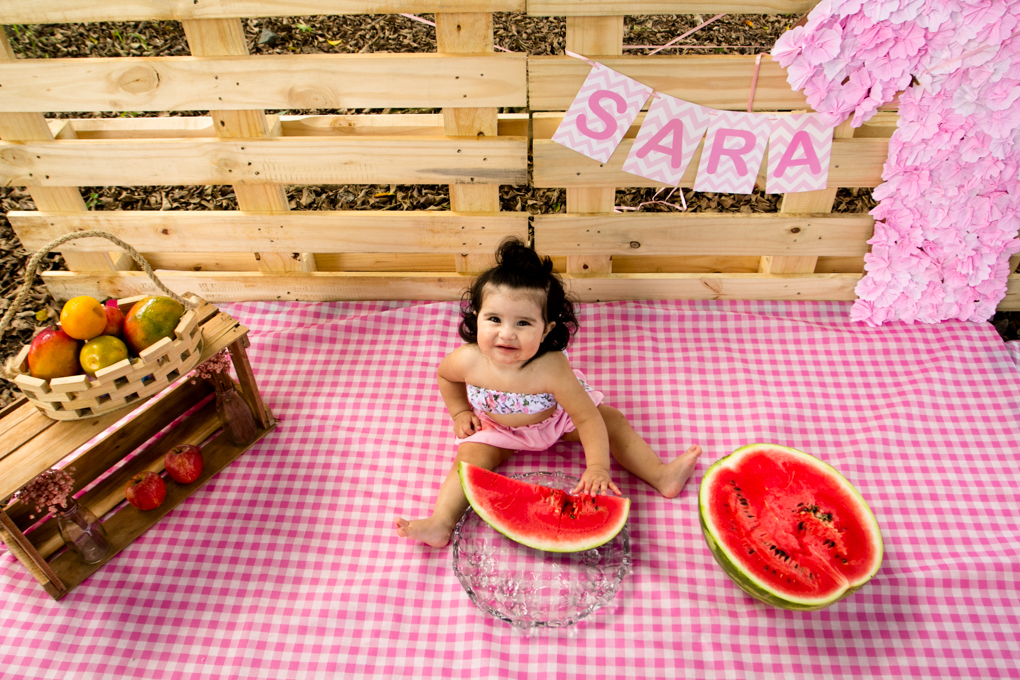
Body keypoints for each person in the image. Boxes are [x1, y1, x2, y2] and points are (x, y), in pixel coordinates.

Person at [395, 237, 702, 547]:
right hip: (497, 428)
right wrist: (460, 412)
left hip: (556, 421)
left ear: (547, 329)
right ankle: (441, 522)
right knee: (467, 460)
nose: (506, 333)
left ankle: (661, 475)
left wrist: (597, 465)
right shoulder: (467, 360)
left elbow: (586, 418)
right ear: (477, 317)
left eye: (524, 323)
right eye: (494, 319)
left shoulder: (552, 368)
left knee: (612, 421)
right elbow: (446, 378)